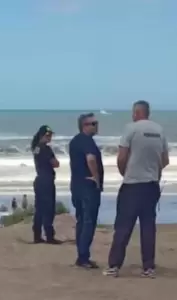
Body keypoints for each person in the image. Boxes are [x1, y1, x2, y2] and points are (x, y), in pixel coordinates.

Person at [103, 100, 169, 278]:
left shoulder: (131, 129)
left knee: (123, 226)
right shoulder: (159, 130)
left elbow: (121, 157)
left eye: (133, 112)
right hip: (151, 185)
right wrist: (154, 171)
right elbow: (165, 160)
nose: (132, 115)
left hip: (132, 185)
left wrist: (125, 173)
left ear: (138, 112)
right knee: (148, 227)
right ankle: (148, 267)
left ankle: (114, 266)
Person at [69, 113, 104, 269]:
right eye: (93, 123)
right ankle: (83, 257)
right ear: (84, 125)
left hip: (76, 186)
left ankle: (81, 255)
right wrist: (96, 177)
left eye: (96, 123)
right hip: (87, 188)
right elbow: (91, 159)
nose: (96, 126)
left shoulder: (75, 141)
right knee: (88, 221)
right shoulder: (86, 141)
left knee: (82, 220)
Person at [31, 125, 61, 244]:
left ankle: (37, 235)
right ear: (43, 135)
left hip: (39, 179)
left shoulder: (36, 147)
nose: (50, 137)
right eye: (48, 135)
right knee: (48, 209)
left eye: (51, 135)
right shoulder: (46, 149)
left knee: (39, 209)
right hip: (47, 180)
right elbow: (55, 163)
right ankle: (49, 236)